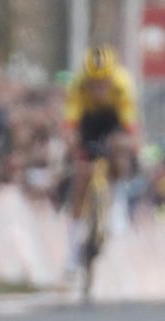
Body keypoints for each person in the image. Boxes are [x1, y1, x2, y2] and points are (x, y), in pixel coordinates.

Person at [61, 45, 139, 277]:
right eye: (94, 84)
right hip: (89, 121)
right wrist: (72, 144)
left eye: (103, 83)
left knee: (120, 147)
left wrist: (130, 144)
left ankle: (118, 202)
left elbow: (130, 128)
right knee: (81, 175)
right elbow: (70, 125)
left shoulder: (123, 84)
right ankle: (73, 251)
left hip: (114, 120)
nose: (98, 89)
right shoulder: (78, 85)